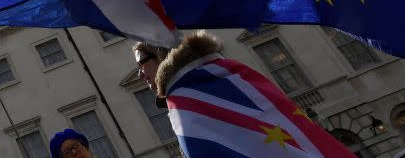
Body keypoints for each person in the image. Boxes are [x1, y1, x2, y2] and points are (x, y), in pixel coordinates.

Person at [132, 31, 355, 157]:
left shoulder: (189, 97)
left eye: (142, 63)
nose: (140, 74)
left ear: (161, 56)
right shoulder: (219, 74)